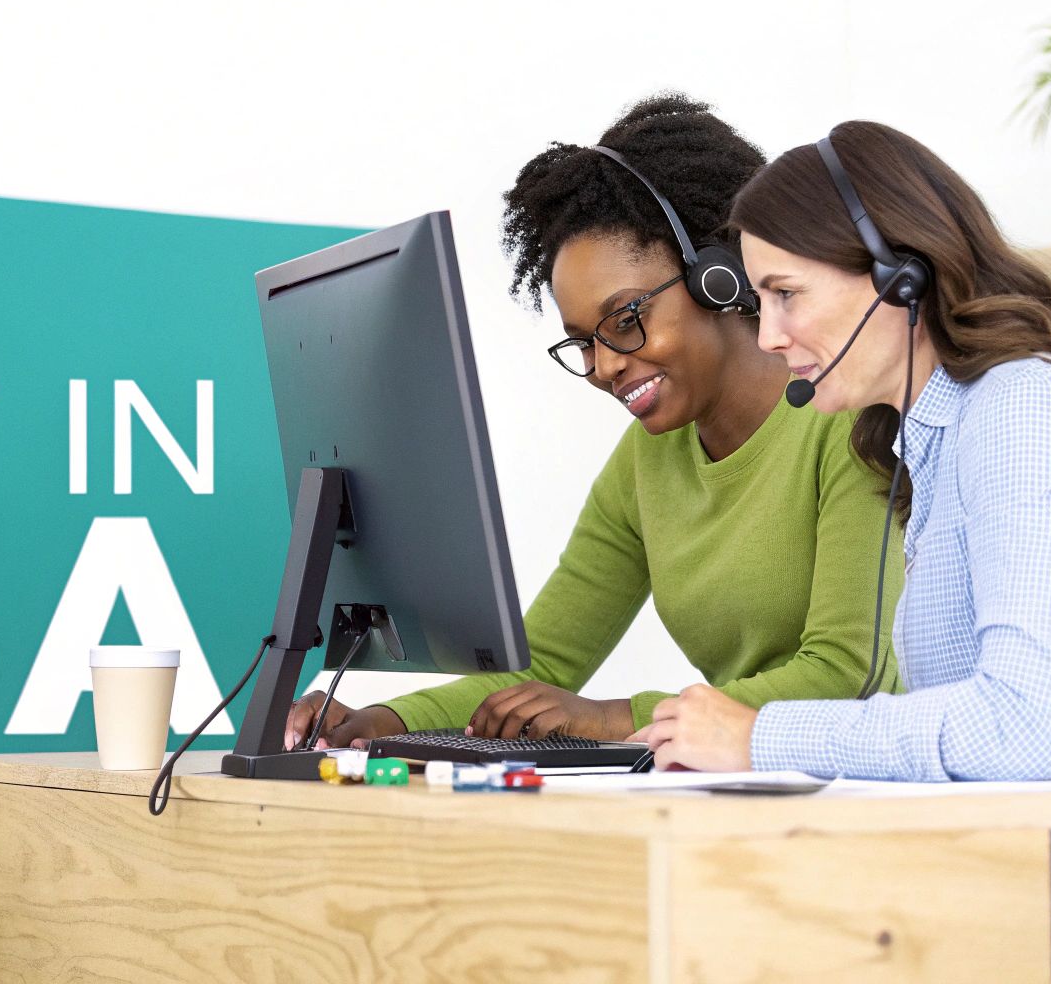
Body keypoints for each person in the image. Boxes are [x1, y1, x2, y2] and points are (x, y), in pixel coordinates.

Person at [639, 119, 1051, 983]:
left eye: (787, 294)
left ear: (900, 277)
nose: (770, 335)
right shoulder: (935, 442)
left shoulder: (1024, 414)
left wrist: (763, 736)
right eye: (758, 302)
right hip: (1038, 899)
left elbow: (1020, 726)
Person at [284, 93, 904, 751]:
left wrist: (618, 718)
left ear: (716, 276)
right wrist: (383, 722)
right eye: (583, 341)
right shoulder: (647, 461)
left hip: (883, 792)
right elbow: (543, 666)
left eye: (625, 319)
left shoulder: (849, 421)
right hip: (747, 787)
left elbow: (848, 673)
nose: (605, 366)